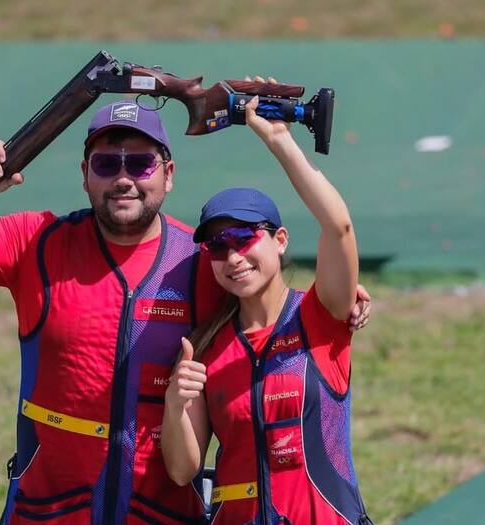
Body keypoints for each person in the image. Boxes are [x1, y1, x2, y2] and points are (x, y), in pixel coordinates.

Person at [0, 98, 371, 524]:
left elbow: (271, 288)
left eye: (141, 163)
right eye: (107, 164)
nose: (124, 178)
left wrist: (342, 297)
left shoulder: (201, 259)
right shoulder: (35, 242)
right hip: (47, 511)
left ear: (168, 174)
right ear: (85, 174)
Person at [161, 89, 373, 524]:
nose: (233, 257)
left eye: (244, 238)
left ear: (279, 240)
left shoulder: (322, 316)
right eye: (217, 247)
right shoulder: (205, 348)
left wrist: (280, 140)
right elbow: (182, 470)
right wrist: (175, 402)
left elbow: (339, 226)